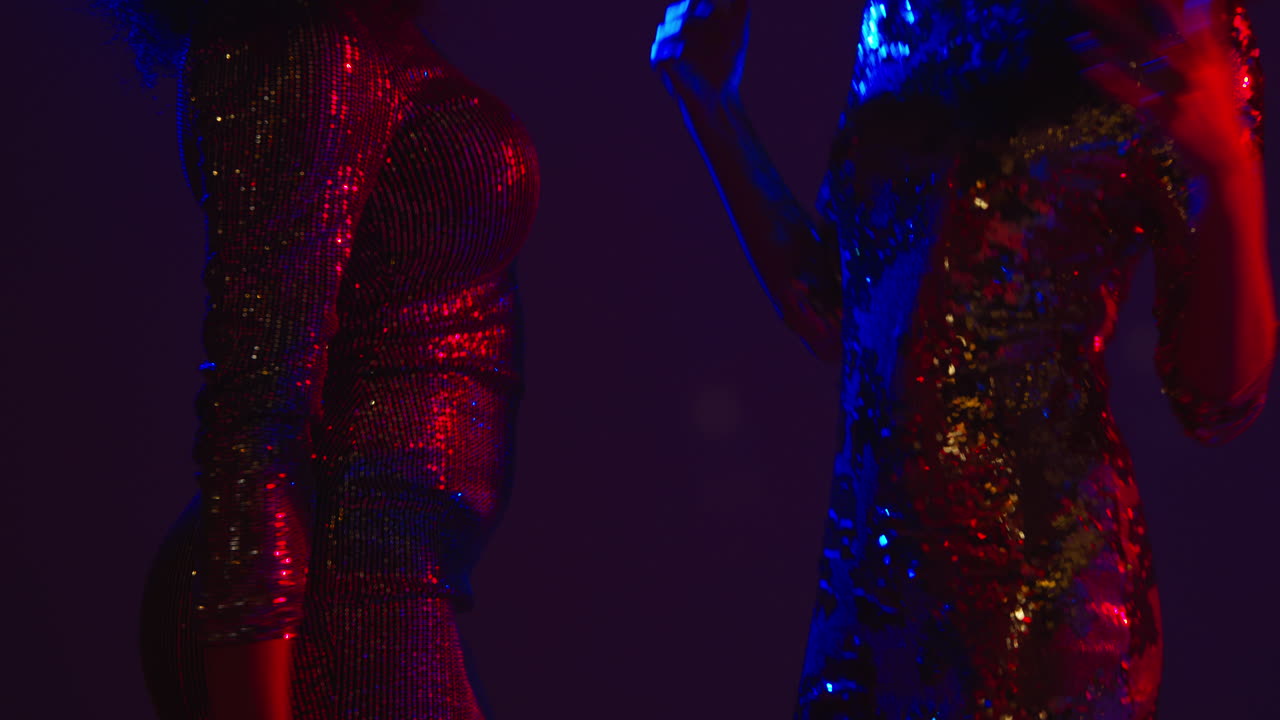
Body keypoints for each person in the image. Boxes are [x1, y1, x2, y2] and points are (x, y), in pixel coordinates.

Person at [652, 0, 1275, 717]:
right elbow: (840, 312)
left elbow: (1221, 402)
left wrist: (1231, 175)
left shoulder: (1163, 16)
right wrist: (708, 99)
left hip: (1040, 599)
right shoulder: (900, 13)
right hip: (867, 593)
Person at [99, 0, 541, 717]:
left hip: (379, 592)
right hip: (330, 605)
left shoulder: (352, 36)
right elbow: (252, 423)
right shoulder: (301, 47)